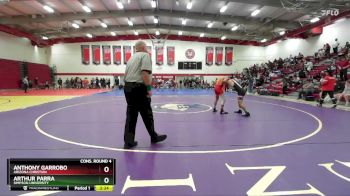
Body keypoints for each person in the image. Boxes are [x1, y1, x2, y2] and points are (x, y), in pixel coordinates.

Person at [123, 41, 167, 149]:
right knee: (147, 114)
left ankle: (128, 141)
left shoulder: (131, 58)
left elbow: (127, 74)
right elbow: (144, 73)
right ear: (143, 47)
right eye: (146, 47)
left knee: (131, 115)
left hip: (128, 87)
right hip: (139, 88)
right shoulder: (145, 55)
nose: (147, 49)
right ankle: (154, 136)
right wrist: (148, 89)